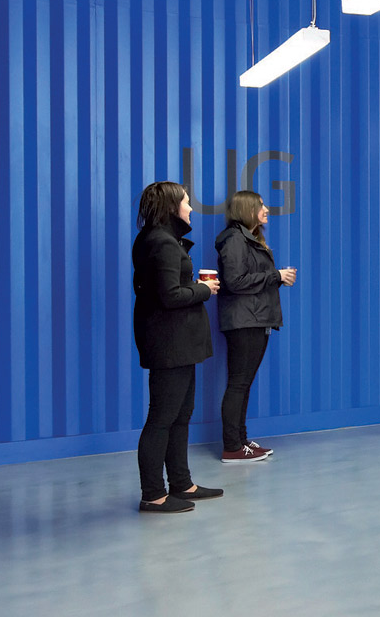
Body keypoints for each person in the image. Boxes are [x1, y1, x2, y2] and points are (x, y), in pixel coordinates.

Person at [131, 181, 224, 513]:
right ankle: (153, 494)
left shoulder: (157, 240)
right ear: (172, 207)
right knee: (162, 418)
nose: (191, 208)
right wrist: (204, 289)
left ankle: (182, 484)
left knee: (180, 415)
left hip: (178, 342)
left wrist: (194, 287)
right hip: (170, 343)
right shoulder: (163, 244)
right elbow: (171, 296)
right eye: (186, 202)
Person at [214, 190, 295, 464]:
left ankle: (240, 442)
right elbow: (235, 281)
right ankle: (232, 447)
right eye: (260, 205)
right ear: (247, 209)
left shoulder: (246, 238)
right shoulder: (234, 239)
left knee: (243, 384)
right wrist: (275, 276)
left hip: (254, 318)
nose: (266, 209)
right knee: (239, 383)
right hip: (244, 320)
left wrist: (277, 278)